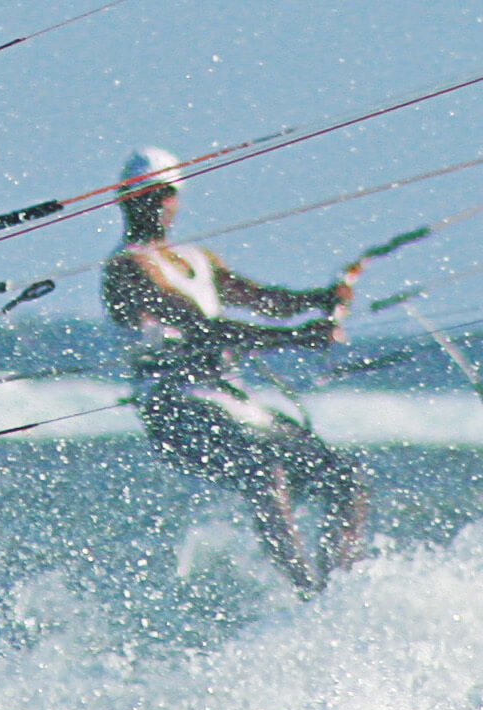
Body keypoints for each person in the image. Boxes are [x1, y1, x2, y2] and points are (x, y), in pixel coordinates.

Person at [101, 146, 369, 597]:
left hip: (232, 402)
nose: (156, 203)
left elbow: (264, 300)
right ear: (124, 200)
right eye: (144, 194)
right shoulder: (127, 268)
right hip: (175, 411)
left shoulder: (198, 259)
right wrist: (298, 338)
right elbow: (205, 329)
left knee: (347, 477)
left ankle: (340, 588)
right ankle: (307, 592)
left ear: (177, 199)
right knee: (265, 470)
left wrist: (322, 299)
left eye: (165, 193)